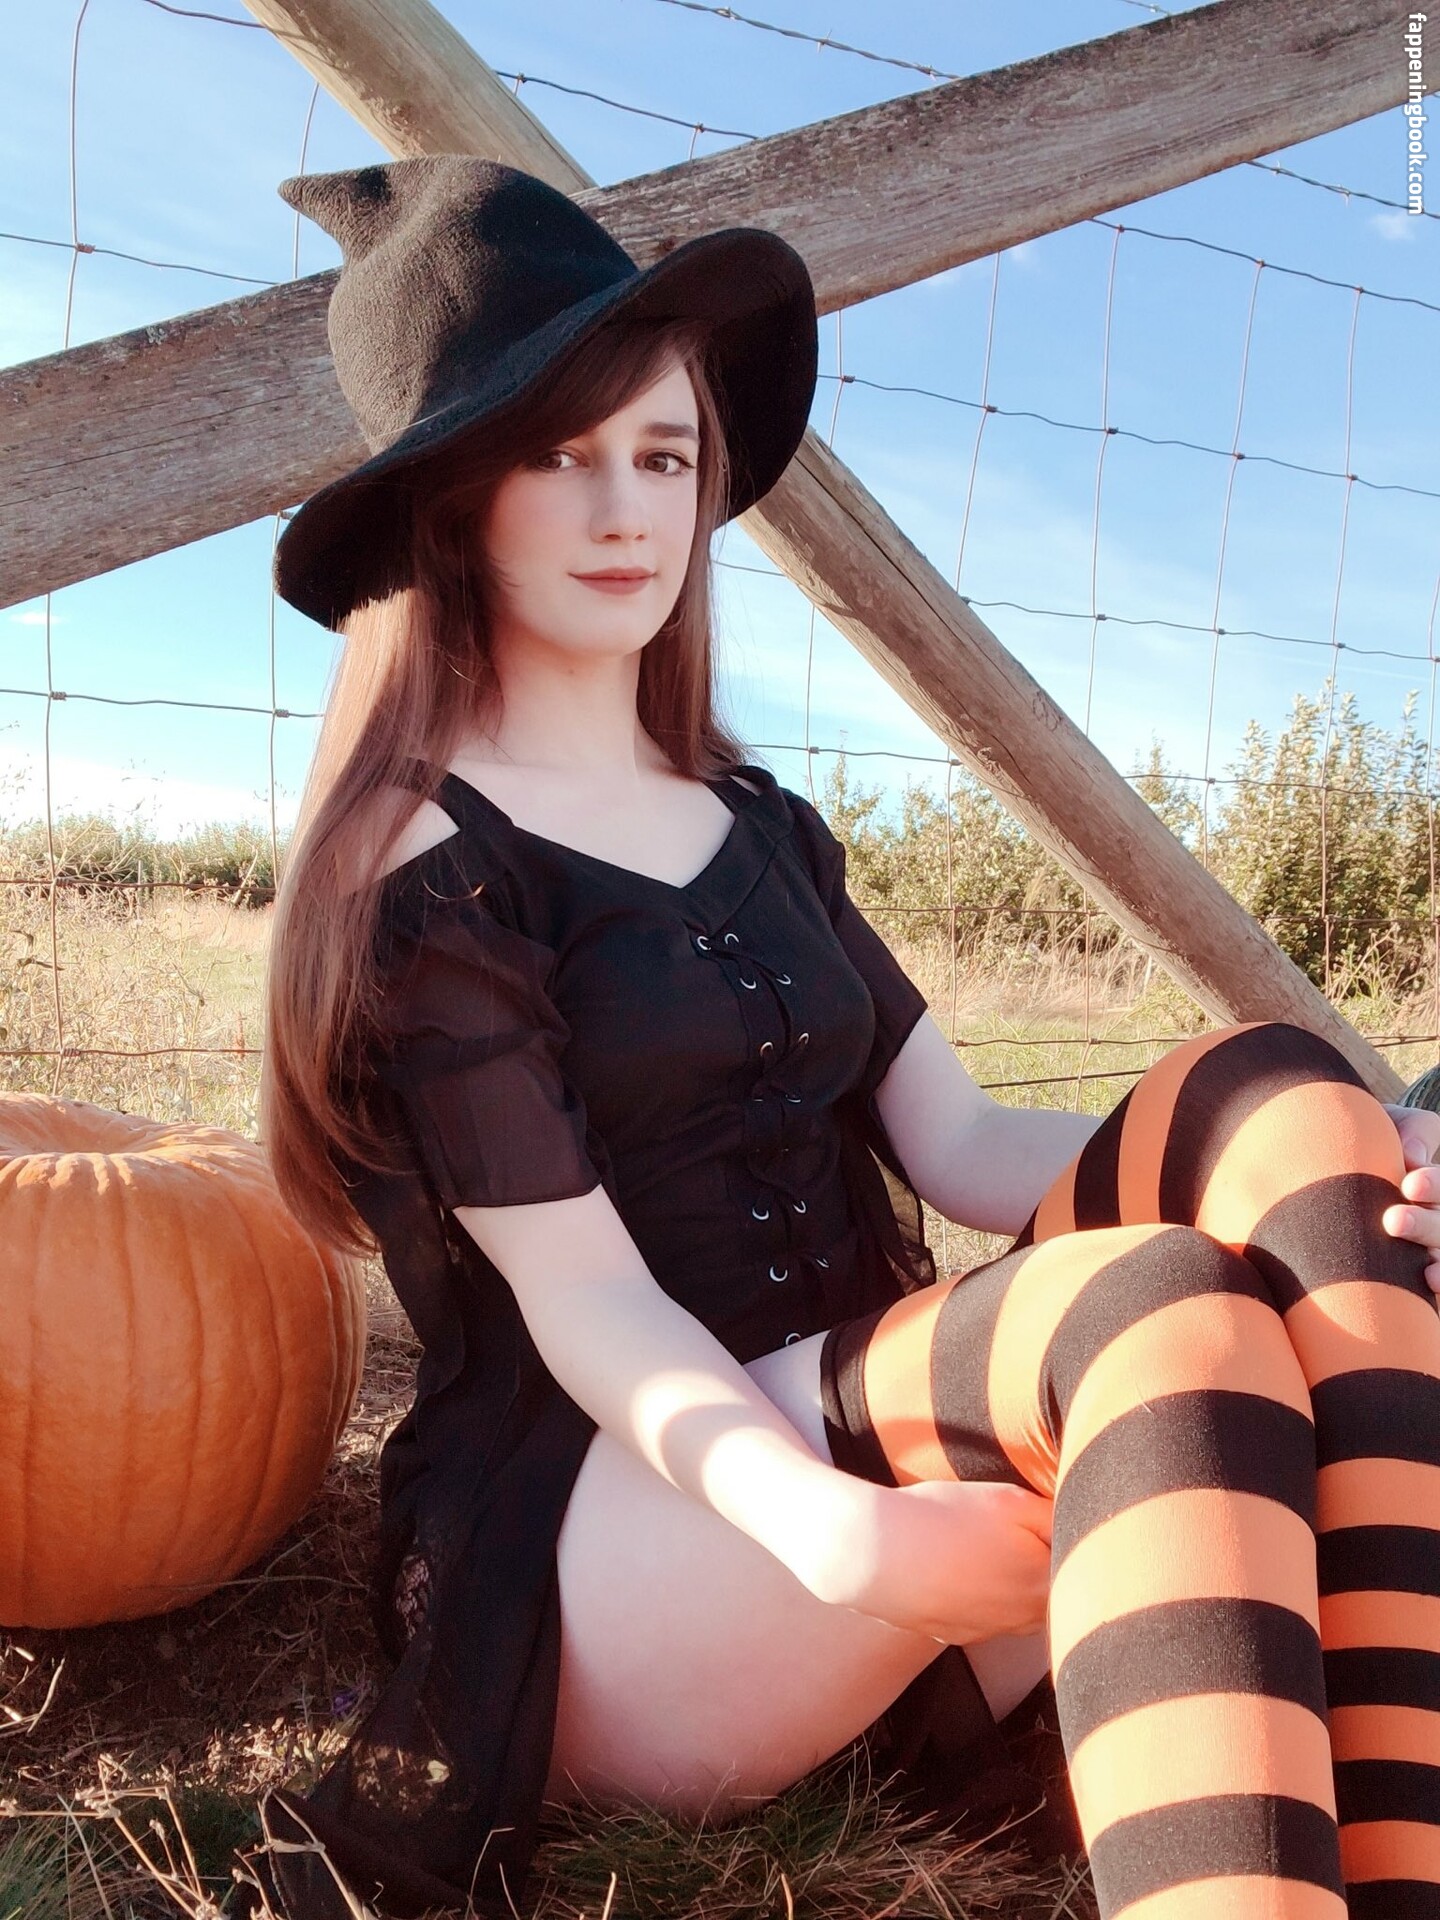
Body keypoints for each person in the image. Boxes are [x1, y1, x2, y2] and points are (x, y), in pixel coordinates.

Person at [242, 155, 1440, 1920]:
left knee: (1285, 1089)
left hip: (869, 1414)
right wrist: (836, 1535)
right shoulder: (424, 855)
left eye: (663, 455)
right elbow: (591, 1308)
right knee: (1159, 1308)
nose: (626, 508)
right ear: (451, 501)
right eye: (559, 456)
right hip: (630, 1526)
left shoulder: (759, 823)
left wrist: (1352, 1170)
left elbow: (961, 1147)